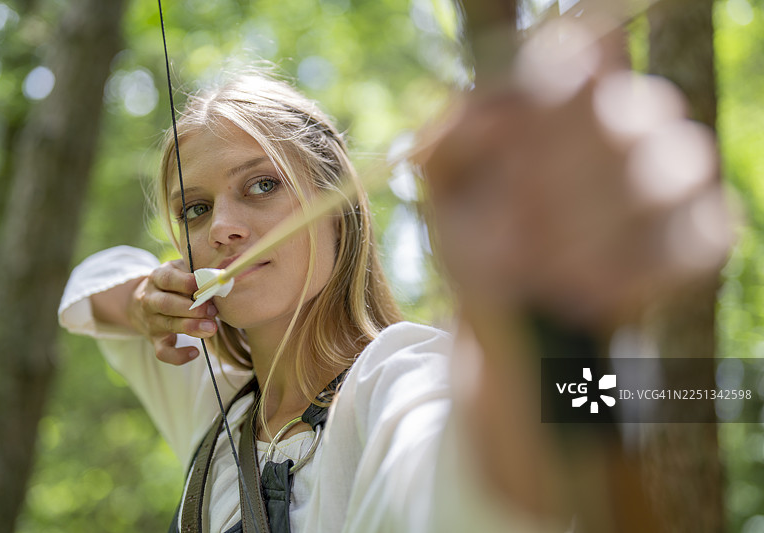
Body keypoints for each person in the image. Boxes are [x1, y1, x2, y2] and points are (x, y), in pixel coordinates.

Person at [59, 20, 729, 532]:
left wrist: (533, 311)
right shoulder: (213, 393)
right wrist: (147, 301)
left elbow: (473, 478)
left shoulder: (399, 371)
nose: (221, 228)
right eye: (195, 209)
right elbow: (87, 286)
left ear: (337, 213)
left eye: (262, 185)